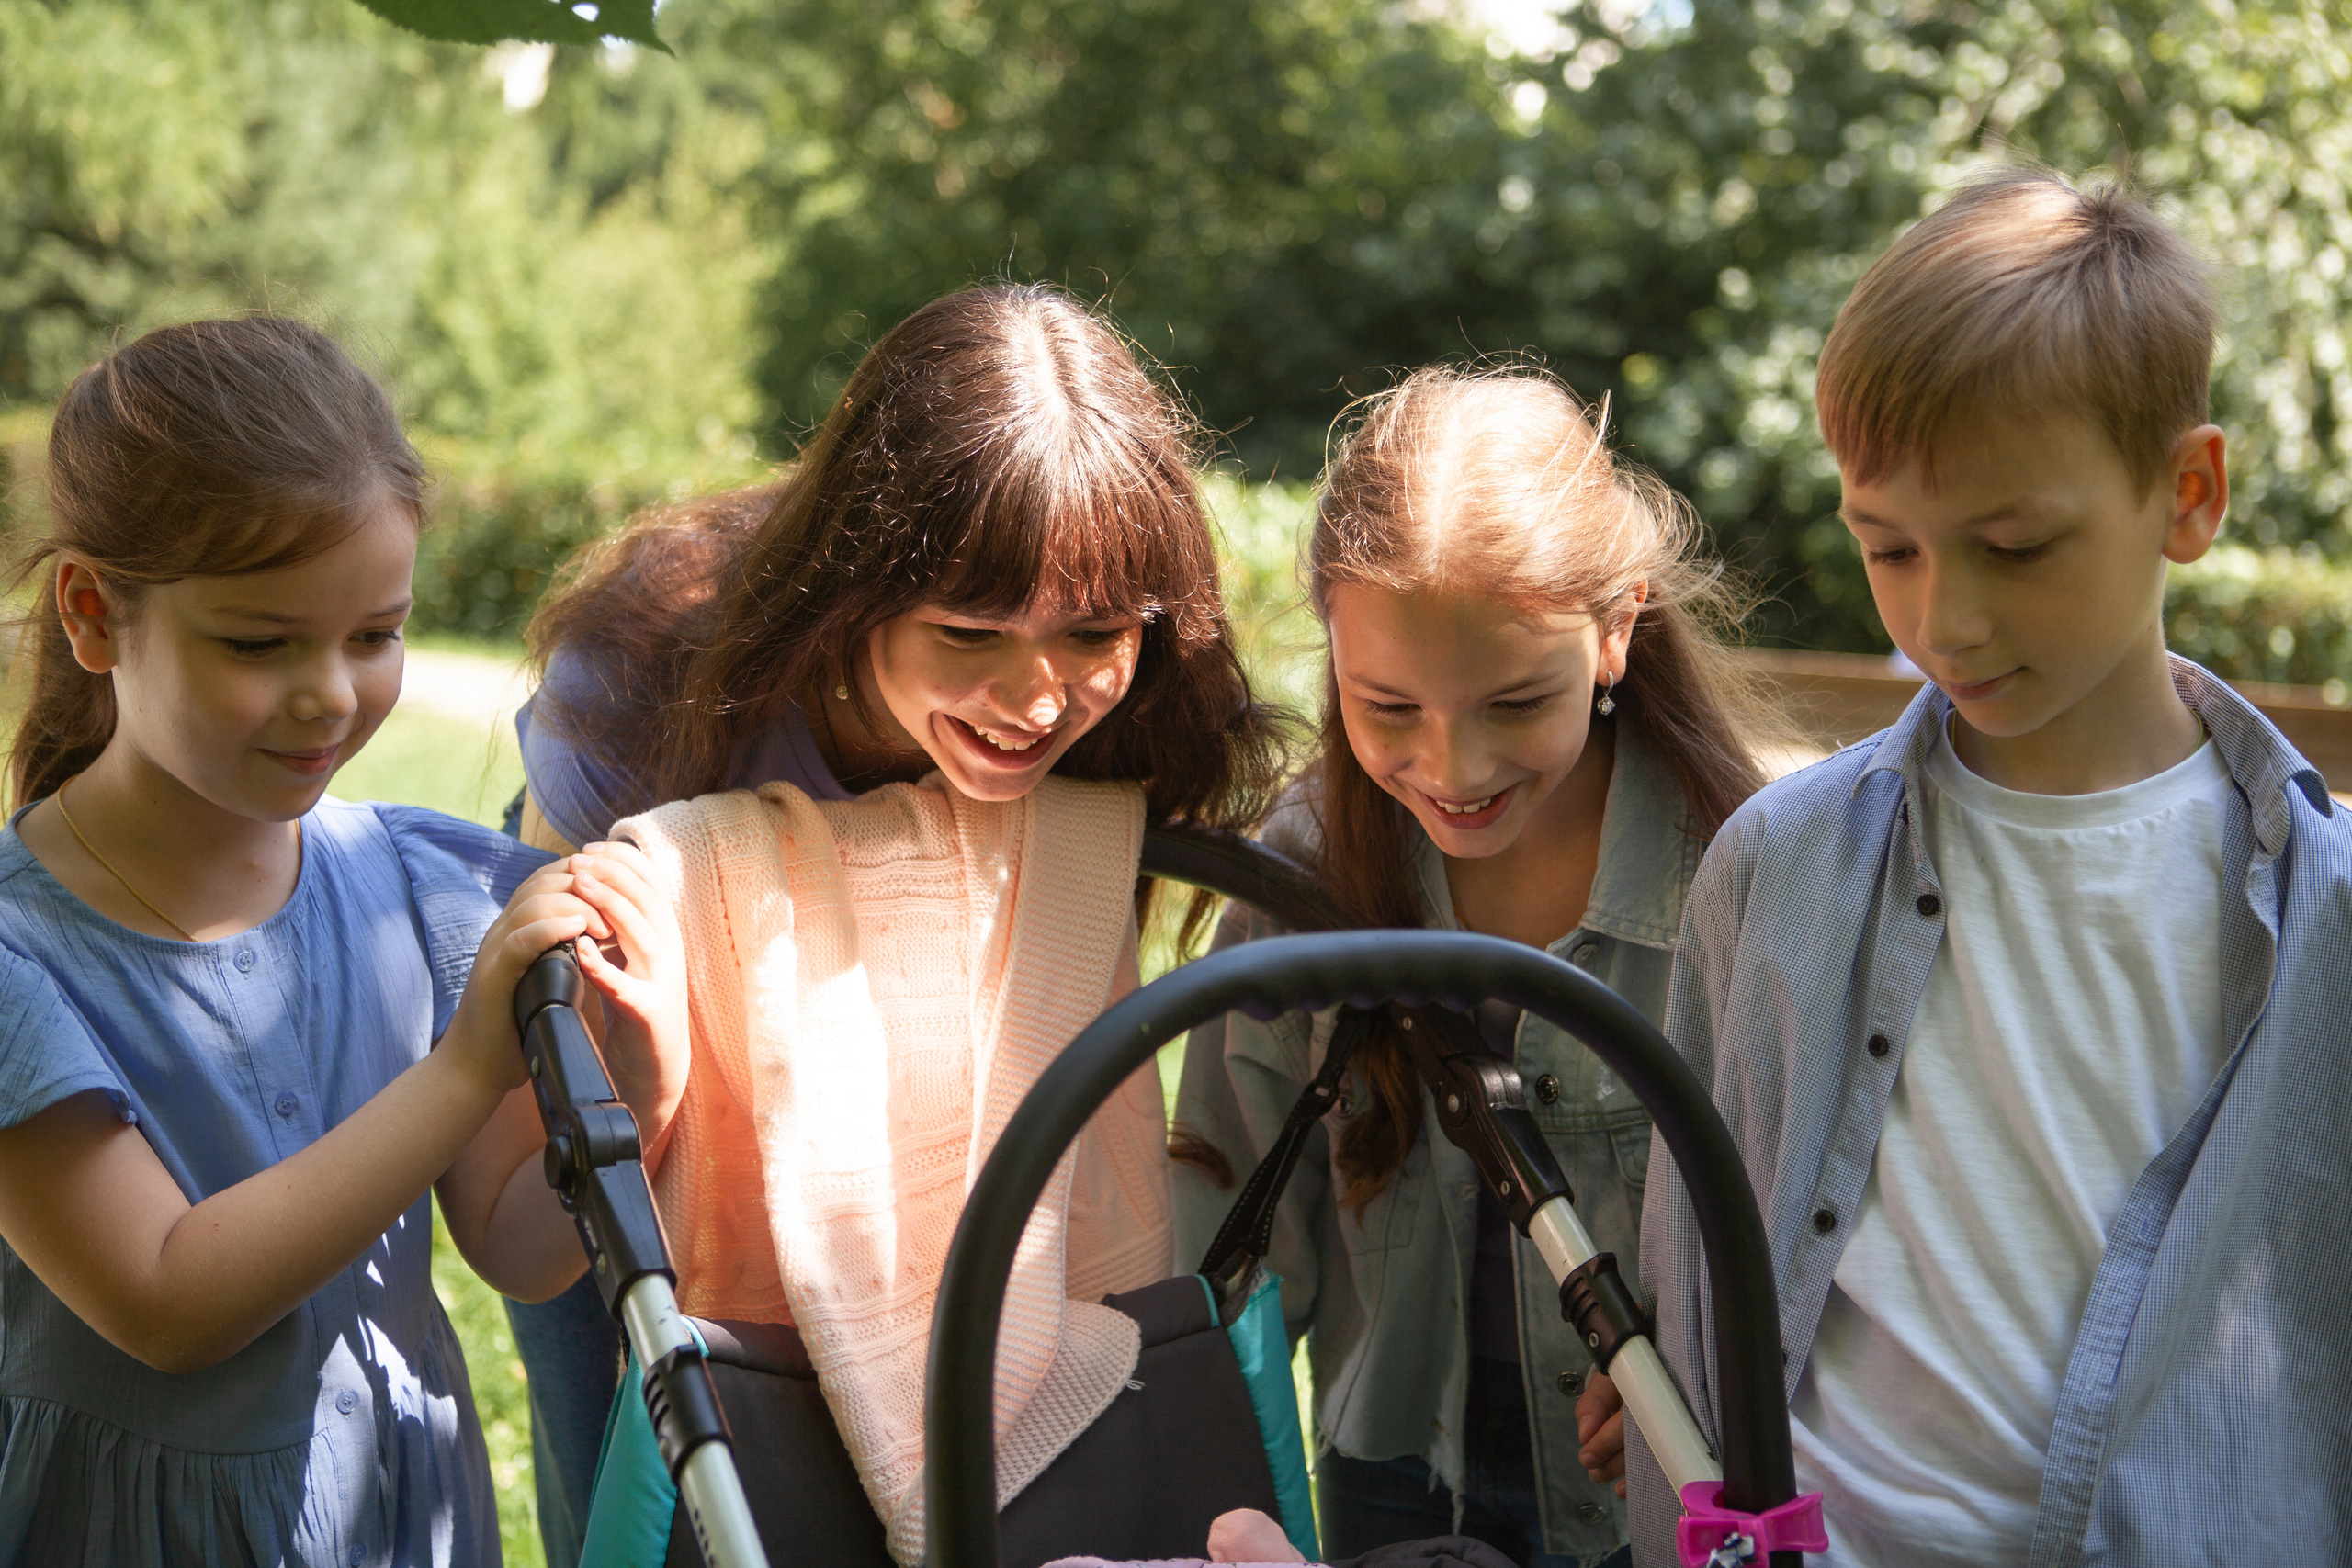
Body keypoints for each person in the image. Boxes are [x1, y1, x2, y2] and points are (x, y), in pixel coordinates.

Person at [1618, 169, 2352, 1565]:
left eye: (2015, 545)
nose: (1940, 619)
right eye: (1887, 547)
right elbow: (1695, 1273)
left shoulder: (2328, 921)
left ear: (2187, 496)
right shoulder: (1771, 866)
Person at [504, 282, 1288, 1559]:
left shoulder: (1133, 713)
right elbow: (553, 1072)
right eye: (969, 634)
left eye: (1092, 632)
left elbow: (1066, 983)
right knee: (629, 1467)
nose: (1036, 698)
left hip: (939, 1113)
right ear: (849, 594)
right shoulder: (648, 677)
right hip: (634, 1124)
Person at [0, 317, 597, 1565]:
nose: (332, 692)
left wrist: (639, 1054)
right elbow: (166, 1298)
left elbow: (521, 1249)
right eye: (261, 643)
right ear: (95, 616)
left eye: (374, 635)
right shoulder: (20, 959)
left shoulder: (411, 886)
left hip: (396, 1510)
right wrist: (465, 1069)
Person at [1171, 367, 1776, 1568]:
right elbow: (1225, 1240)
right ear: (1330, 650)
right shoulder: (1301, 894)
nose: (1453, 765)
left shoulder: (1748, 883)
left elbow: (1802, 1208)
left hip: (1655, 1496)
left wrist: (1699, 1348)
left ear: (1614, 635)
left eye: (1513, 701)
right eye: (1386, 706)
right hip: (1396, 1480)